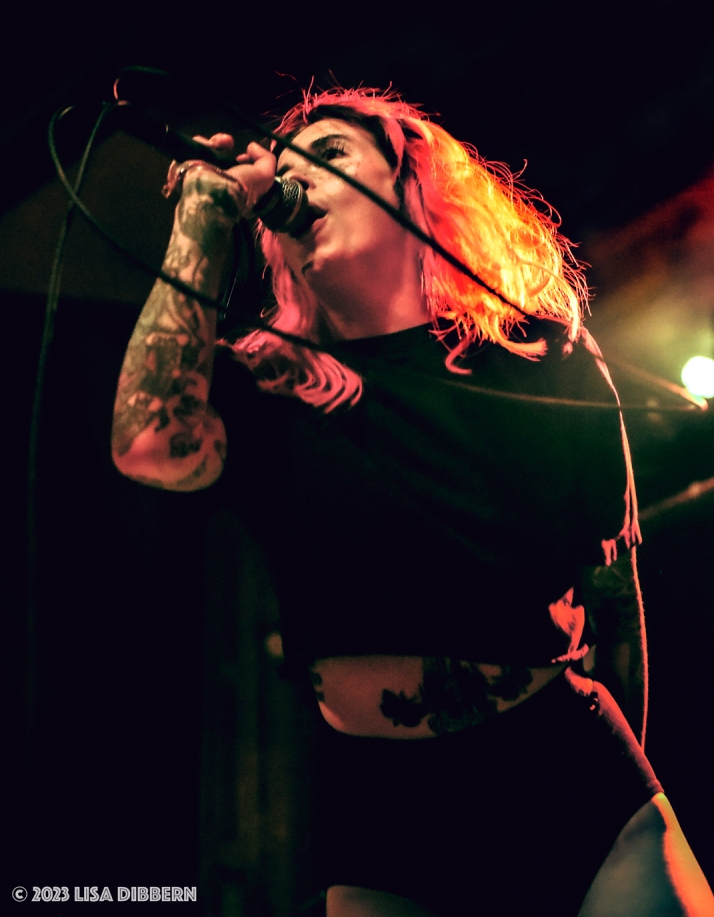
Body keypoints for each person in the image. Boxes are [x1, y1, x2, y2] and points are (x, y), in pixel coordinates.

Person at [111, 88, 714, 915]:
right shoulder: (267, 386)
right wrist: (204, 217)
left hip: (565, 768)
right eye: (283, 170)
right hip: (385, 808)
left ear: (409, 185)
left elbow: (613, 596)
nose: (296, 180)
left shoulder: (534, 354)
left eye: (329, 154)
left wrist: (618, 776)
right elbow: (149, 442)